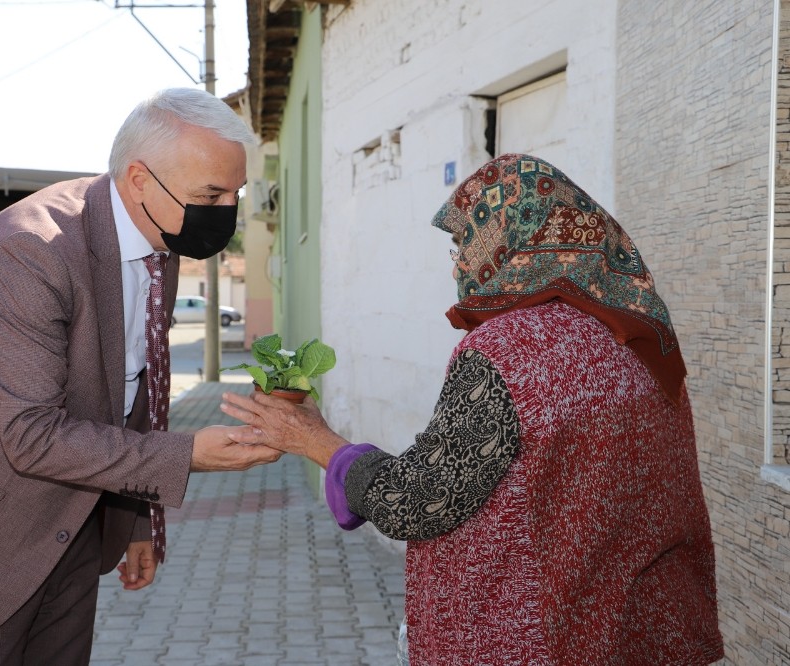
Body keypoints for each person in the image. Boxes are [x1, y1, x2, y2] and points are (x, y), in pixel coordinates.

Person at [222, 154, 725, 665]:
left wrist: (314, 440)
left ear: (504, 244)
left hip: (535, 640)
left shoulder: (506, 349)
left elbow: (414, 499)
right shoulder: (641, 338)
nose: (459, 265)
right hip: (648, 633)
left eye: (464, 245)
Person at [0, 87, 281, 664]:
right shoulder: (32, 249)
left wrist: (133, 519)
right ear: (139, 180)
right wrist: (185, 456)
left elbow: (128, 390)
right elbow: (31, 434)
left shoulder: (163, 233)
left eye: (236, 192)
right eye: (211, 194)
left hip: (69, 534)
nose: (227, 211)